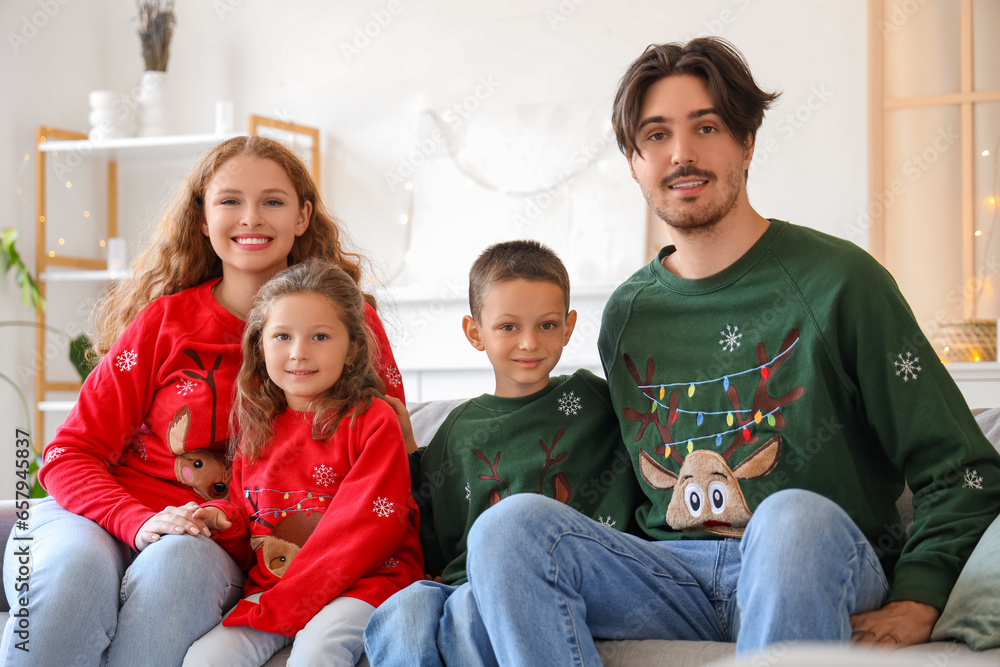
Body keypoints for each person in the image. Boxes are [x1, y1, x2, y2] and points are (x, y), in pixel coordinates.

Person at [453, 37, 1000, 664]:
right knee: (508, 529)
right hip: (670, 577)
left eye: (706, 127)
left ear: (747, 140)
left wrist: (921, 595)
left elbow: (962, 468)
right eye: (656, 136)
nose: (681, 154)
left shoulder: (842, 283)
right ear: (633, 161)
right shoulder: (627, 316)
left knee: (789, 517)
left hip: (817, 559)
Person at [0, 135, 407, 666]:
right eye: (230, 201)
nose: (251, 218)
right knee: (71, 572)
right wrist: (134, 520)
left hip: (215, 534)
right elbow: (69, 453)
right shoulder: (162, 323)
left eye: (274, 201)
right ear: (202, 218)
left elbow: (394, 447)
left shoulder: (350, 323)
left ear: (303, 216)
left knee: (179, 569)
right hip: (95, 516)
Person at [363, 240, 640, 666]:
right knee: (405, 608)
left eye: (547, 325)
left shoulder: (593, 399)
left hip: (561, 578)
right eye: (508, 327)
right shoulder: (458, 430)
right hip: (463, 580)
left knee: (471, 607)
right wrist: (407, 448)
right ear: (475, 333)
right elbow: (426, 520)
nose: (529, 343)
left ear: (569, 327)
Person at [183, 259, 422, 666]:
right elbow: (248, 515)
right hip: (278, 587)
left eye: (321, 336)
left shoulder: (371, 420)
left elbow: (373, 526)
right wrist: (218, 517)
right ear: (261, 347)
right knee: (205, 658)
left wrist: (293, 601)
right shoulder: (259, 426)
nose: (298, 353)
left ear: (353, 350)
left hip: (365, 583)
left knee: (316, 653)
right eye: (282, 336)